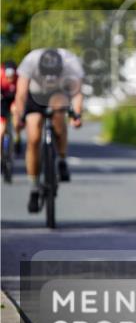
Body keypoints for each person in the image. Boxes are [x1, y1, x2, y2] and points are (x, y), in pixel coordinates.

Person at [13, 48, 85, 212]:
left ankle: (61, 158)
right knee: (33, 137)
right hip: (34, 95)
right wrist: (19, 115)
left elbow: (77, 93)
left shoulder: (71, 63)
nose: (49, 79)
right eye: (46, 75)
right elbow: (21, 93)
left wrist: (78, 115)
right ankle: (33, 188)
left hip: (58, 93)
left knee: (59, 112)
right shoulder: (30, 61)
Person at [1, 60, 21, 156]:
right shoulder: (1, 76)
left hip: (14, 99)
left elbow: (21, 94)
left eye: (12, 76)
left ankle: (17, 137)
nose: (10, 79)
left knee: (15, 114)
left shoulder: (19, 78)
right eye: (8, 76)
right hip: (3, 100)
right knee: (1, 130)